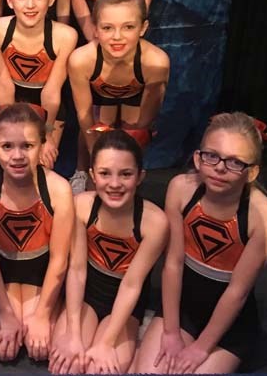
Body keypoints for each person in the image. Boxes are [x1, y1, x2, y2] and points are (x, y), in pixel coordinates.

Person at [133, 112, 267, 374]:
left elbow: (238, 291)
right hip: (183, 307)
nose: (221, 167)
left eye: (235, 161)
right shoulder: (181, 188)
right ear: (197, 158)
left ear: (252, 171)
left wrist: (201, 348)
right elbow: (173, 263)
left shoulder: (265, 216)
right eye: (212, 156)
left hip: (229, 322)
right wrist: (170, 330)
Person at [49, 129, 168, 374]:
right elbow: (78, 270)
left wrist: (106, 343)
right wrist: (73, 332)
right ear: (92, 175)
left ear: (140, 176)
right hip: (87, 296)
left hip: (125, 304)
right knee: (67, 366)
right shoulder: (82, 205)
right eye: (105, 174)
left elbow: (132, 285)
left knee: (99, 370)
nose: (114, 184)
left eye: (126, 174)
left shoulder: (154, 222)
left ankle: (134, 341)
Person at [0, 103, 74, 362]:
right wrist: (3, 311)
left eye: (27, 146)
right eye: (7, 147)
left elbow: (60, 260)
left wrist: (42, 314)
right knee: (3, 349)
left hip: (42, 277)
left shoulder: (59, 190)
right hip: (3, 277)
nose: (17, 156)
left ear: (42, 145)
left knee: (39, 348)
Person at [67, 0, 169, 191]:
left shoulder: (156, 62)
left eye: (128, 27)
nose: (117, 37)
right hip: (99, 104)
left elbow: (145, 123)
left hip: (134, 103)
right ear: (95, 29)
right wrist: (97, 166)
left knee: (130, 134)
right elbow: (84, 117)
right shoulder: (81, 60)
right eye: (107, 28)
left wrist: (121, 169)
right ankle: (81, 171)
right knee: (98, 123)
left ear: (143, 28)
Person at [0, 0, 78, 169]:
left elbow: (52, 93)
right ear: (10, 0)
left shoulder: (65, 36)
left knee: (41, 163)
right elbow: (4, 88)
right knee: (12, 163)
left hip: (49, 113)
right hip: (8, 107)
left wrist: (45, 136)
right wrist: (14, 134)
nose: (30, 5)